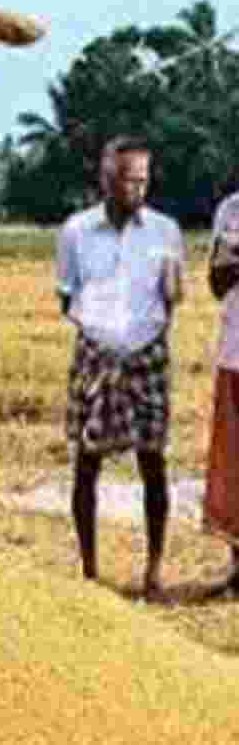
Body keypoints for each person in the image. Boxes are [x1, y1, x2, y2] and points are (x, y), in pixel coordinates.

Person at [55, 135, 183, 598]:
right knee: (86, 462)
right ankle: (89, 572)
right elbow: (66, 296)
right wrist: (99, 330)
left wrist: (164, 307)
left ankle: (153, 572)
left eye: (144, 181)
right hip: (96, 354)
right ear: (106, 179)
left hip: (148, 354)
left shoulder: (166, 232)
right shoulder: (75, 231)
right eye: (129, 180)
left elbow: (173, 293)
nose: (138, 190)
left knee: (153, 461)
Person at [203, 189, 239, 596]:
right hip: (234, 353)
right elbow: (216, 282)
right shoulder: (229, 210)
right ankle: (238, 568)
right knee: (232, 467)